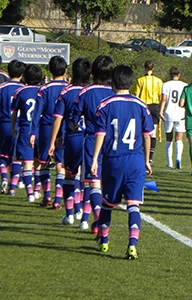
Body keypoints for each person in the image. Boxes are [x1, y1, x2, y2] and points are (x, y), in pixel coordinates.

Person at [91, 65, 154, 260]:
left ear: (113, 81)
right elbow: (147, 135)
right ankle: (132, 244)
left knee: (107, 203)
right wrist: (147, 160)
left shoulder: (105, 104)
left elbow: (100, 134)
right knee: (133, 204)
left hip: (113, 160)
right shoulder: (141, 104)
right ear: (131, 82)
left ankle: (104, 240)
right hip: (135, 160)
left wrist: (94, 159)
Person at [70, 55, 115, 233]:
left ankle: (97, 221)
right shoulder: (114, 93)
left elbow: (74, 119)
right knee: (105, 185)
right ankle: (100, 221)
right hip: (112, 143)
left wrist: (74, 126)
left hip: (91, 140)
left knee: (94, 184)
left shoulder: (85, 92)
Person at [49, 57, 92, 225]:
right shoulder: (92, 91)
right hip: (89, 138)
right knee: (88, 177)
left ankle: (69, 214)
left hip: (72, 138)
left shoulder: (66, 92)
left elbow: (58, 119)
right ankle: (84, 218)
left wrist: (53, 141)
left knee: (69, 175)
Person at [30, 56, 69, 209]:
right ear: (65, 70)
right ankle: (58, 199)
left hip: (46, 127)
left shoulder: (44, 89)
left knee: (43, 162)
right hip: (64, 128)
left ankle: (46, 196)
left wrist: (33, 132)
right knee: (61, 164)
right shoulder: (69, 88)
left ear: (50, 70)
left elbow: (36, 112)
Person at [0, 60, 26, 195]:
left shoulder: (2, 87)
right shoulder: (24, 88)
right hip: (19, 125)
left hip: (4, 124)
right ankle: (12, 186)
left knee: (3, 155)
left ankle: (4, 179)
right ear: (22, 74)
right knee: (16, 157)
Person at [10, 64, 43, 203]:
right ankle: (37, 190)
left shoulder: (20, 91)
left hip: (25, 130)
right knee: (39, 162)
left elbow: (14, 112)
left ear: (24, 77)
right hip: (41, 130)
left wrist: (13, 128)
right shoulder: (44, 91)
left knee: (27, 163)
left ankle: (29, 193)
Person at [132, 61, 163, 164]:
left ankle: (143, 154)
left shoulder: (140, 80)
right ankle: (150, 157)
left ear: (145, 68)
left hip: (143, 106)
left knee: (142, 131)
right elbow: (160, 96)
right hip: (154, 106)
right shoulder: (158, 81)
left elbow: (136, 95)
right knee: (152, 133)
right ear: (153, 68)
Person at [159, 66, 187, 169]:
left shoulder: (166, 85)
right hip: (180, 113)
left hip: (169, 113)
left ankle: (169, 162)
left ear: (170, 75)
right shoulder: (185, 85)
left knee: (169, 138)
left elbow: (164, 99)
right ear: (179, 75)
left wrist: (161, 112)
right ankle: (178, 159)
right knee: (179, 138)